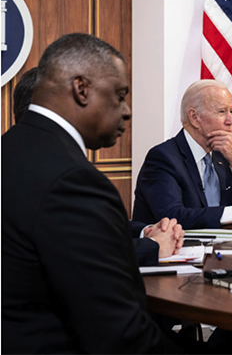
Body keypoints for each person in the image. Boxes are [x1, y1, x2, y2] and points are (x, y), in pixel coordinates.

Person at [2, 33, 182, 353]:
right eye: (120, 95)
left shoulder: (11, 150)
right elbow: (119, 333)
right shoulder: (72, 179)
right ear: (81, 89)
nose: (127, 111)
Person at [11, 67, 184, 267]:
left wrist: (145, 231)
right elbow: (81, 252)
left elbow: (89, 225)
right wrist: (152, 246)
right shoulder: (43, 174)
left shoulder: (35, 159)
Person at [133, 80, 232, 230]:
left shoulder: (224, 155)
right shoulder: (163, 158)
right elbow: (172, 217)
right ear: (194, 117)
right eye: (222, 112)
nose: (231, 121)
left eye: (231, 112)